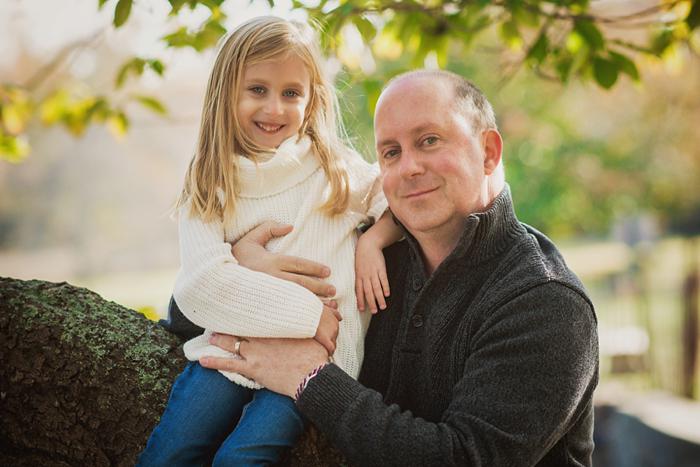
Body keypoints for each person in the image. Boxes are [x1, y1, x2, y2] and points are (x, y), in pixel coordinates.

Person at [196, 69, 600, 466]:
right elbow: (187, 318)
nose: (408, 167)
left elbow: (461, 457)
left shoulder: (545, 302)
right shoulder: (366, 253)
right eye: (391, 152)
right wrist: (245, 265)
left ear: (489, 152)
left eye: (429, 141)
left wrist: (311, 379)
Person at [138, 16, 403, 467]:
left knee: (240, 459)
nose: (275, 109)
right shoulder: (211, 180)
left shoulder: (333, 168)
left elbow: (397, 202)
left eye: (291, 93)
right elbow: (201, 285)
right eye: (257, 90)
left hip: (316, 362)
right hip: (232, 348)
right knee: (170, 453)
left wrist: (372, 240)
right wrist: (309, 314)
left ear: (311, 99)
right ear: (226, 93)